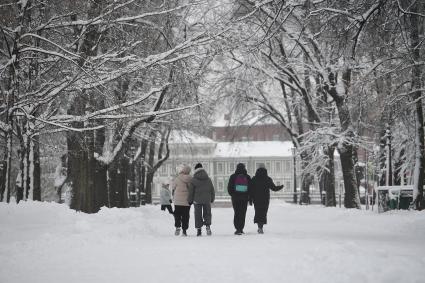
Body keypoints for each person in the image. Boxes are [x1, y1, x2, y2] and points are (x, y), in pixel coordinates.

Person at [249, 163, 283, 234]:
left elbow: (251, 190)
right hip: (265, 199)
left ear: (257, 169)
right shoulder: (268, 179)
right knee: (263, 213)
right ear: (265, 169)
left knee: (258, 212)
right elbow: (274, 188)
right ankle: (261, 227)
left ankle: (259, 227)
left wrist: (250, 199)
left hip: (256, 199)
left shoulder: (254, 179)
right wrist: (280, 186)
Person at [188, 163, 215, 236]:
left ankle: (199, 231)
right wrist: (212, 198)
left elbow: (191, 191)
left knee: (198, 215)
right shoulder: (208, 179)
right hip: (207, 200)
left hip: (197, 200)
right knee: (207, 213)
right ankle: (208, 227)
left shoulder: (193, 180)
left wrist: (190, 200)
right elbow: (212, 189)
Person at [227, 163, 251, 235]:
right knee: (243, 213)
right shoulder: (247, 177)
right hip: (244, 198)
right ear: (244, 168)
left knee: (237, 213)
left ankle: (237, 229)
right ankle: (241, 228)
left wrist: (233, 195)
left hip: (235, 198)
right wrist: (248, 196)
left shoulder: (233, 176)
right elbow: (250, 188)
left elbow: (229, 188)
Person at [171, 164, 192, 236]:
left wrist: (173, 195)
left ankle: (177, 227)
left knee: (177, 214)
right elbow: (192, 189)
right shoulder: (191, 179)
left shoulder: (177, 178)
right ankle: (184, 230)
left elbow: (173, 187)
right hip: (186, 201)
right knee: (185, 215)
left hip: (178, 200)